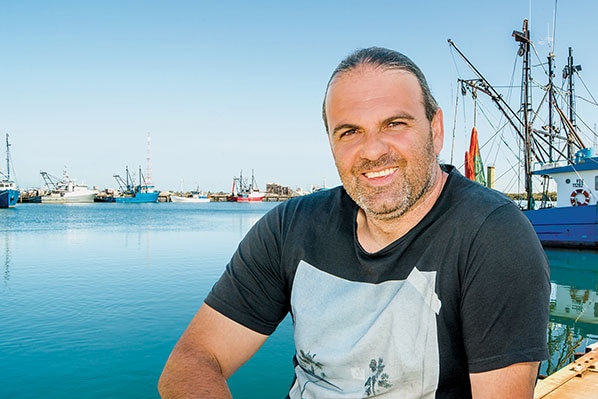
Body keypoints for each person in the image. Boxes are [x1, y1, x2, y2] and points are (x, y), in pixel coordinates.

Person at [158, 47, 550, 398]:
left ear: (435, 129)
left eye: (395, 124)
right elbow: (192, 359)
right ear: (331, 143)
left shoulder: (494, 235)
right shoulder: (289, 228)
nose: (372, 150)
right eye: (350, 132)